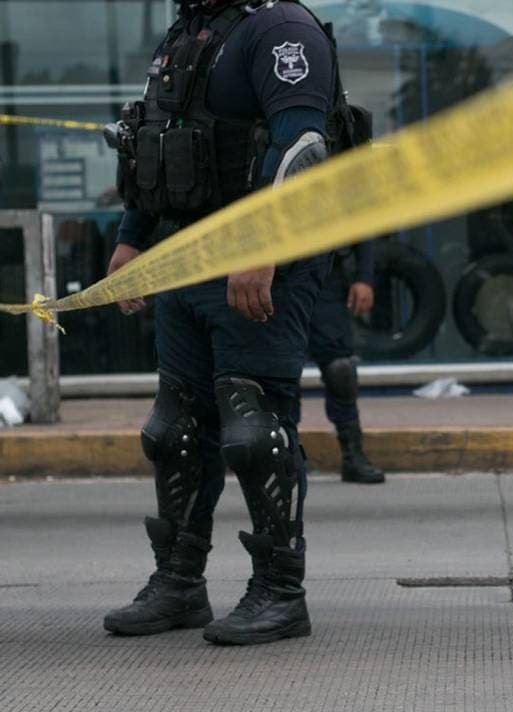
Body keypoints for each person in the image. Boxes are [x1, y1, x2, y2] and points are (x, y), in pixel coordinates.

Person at [101, 0, 340, 646]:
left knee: (251, 423)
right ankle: (179, 584)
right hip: (185, 256)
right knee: (175, 427)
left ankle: (281, 592)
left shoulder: (281, 31)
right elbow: (156, 134)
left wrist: (263, 247)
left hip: (257, 261)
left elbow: (302, 146)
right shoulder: (188, 33)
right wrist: (132, 238)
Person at [309, 243, 387, 484]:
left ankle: (353, 456)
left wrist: (364, 278)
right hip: (274, 279)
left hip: (325, 274)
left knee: (340, 370)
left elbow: (360, 229)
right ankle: (284, 457)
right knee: (278, 374)